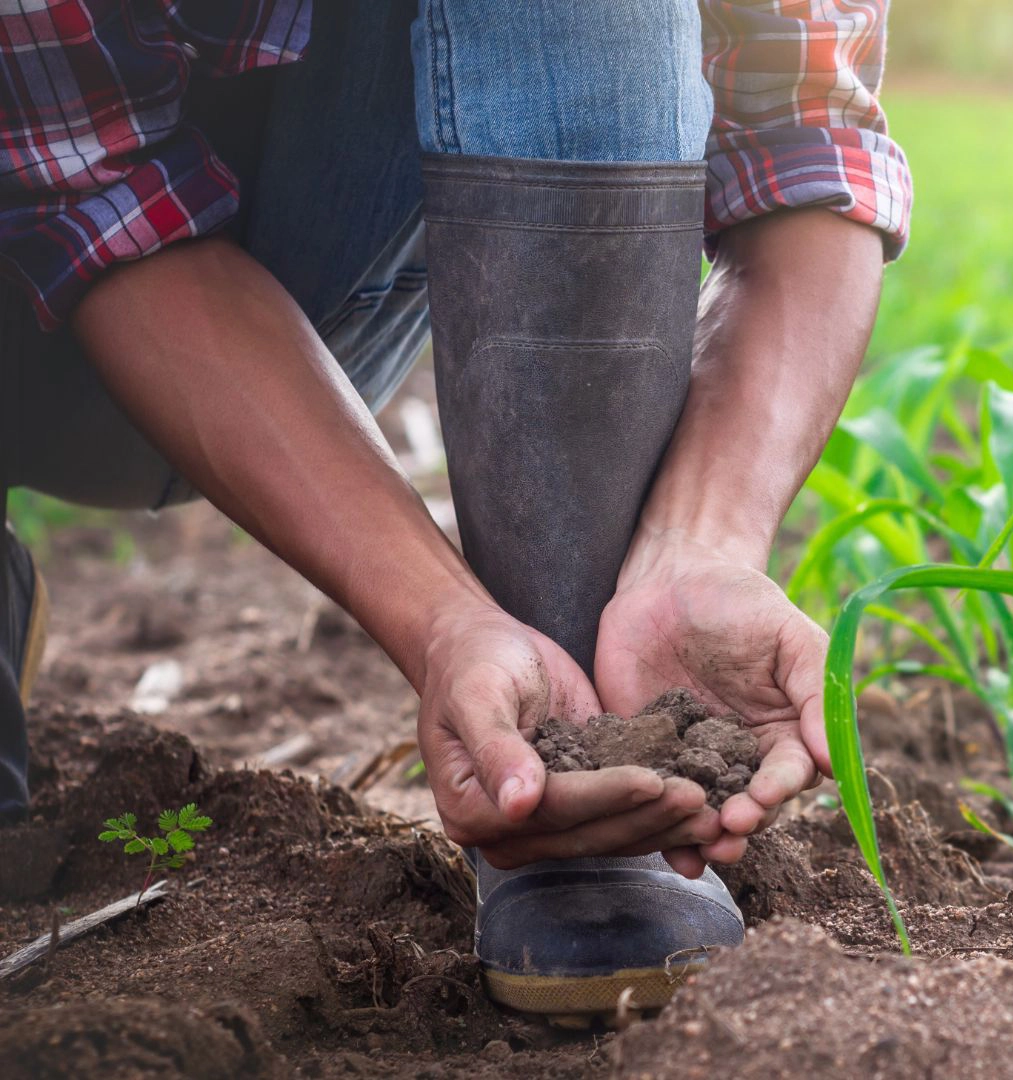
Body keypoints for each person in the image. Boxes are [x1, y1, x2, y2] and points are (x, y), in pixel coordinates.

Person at [0, 0, 907, 1020]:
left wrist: (698, 545)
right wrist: (436, 621)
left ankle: (569, 717)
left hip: (295, 277)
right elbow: (81, 197)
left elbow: (808, 139)